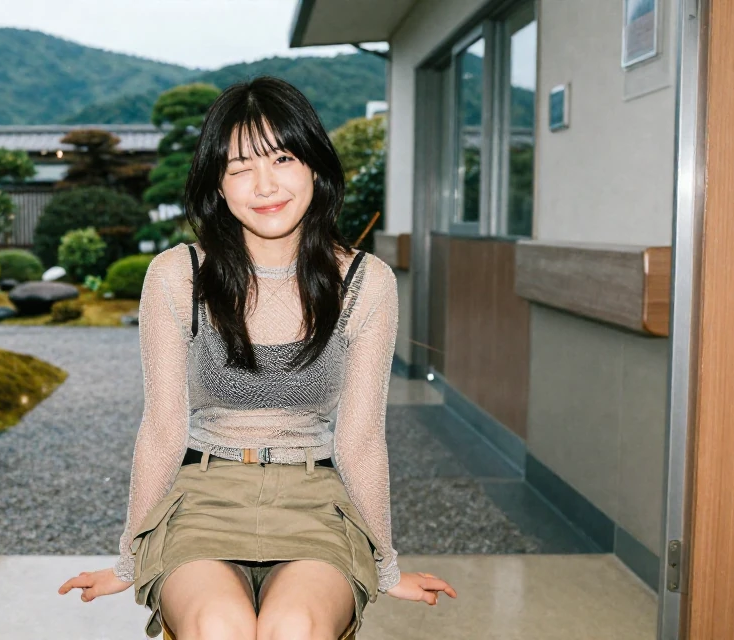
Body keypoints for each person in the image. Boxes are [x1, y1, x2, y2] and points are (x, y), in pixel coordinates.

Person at [59, 76, 456, 638]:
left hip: (315, 500)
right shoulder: (178, 276)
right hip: (202, 496)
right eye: (240, 166)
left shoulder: (366, 283)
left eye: (283, 158)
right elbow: (163, 428)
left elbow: (361, 438)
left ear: (314, 166)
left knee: (291, 627)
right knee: (221, 627)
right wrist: (129, 561)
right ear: (218, 184)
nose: (265, 184)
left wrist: (386, 567)